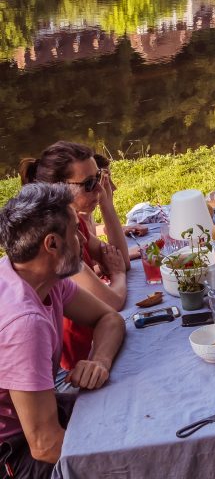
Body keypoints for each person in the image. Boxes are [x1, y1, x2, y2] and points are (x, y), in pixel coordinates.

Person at [0, 183, 125, 478]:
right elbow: (44, 445)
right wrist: (131, 461)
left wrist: (99, 361)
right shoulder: (24, 323)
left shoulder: (41, 277)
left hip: (43, 418)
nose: (83, 237)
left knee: (129, 407)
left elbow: (110, 319)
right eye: (75, 230)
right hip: (15, 453)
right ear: (52, 244)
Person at [19, 141, 129, 371]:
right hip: (77, 359)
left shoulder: (79, 227)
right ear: (58, 189)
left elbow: (121, 258)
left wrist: (107, 205)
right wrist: (117, 274)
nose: (98, 189)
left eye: (98, 178)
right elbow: (112, 302)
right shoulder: (58, 244)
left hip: (97, 341)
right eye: (89, 184)